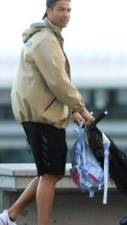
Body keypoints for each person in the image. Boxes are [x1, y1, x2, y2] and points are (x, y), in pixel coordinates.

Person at [0, 1, 94, 225]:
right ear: (48, 11)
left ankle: (9, 216)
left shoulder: (48, 38)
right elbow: (58, 82)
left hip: (43, 114)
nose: (66, 14)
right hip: (41, 117)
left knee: (49, 173)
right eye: (61, 9)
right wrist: (80, 107)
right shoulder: (45, 40)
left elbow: (50, 84)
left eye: (69, 10)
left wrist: (72, 111)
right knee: (50, 175)